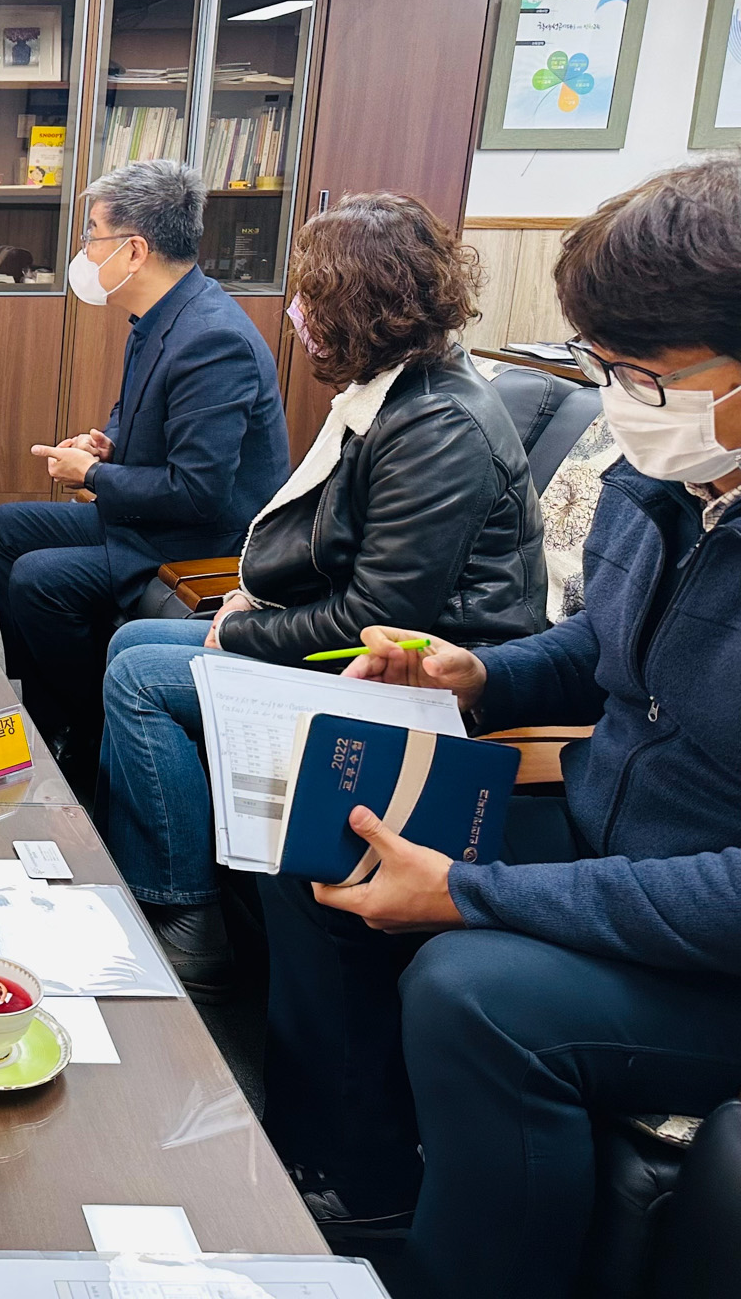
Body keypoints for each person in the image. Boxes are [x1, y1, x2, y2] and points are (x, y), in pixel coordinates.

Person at [258, 157, 741, 1299]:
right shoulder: (669, 480)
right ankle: (366, 1184)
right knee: (322, 840)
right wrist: (475, 675)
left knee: (470, 989)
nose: (616, 396)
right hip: (607, 843)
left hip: (707, 934)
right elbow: (604, 649)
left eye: (640, 371)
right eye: (600, 366)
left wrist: (474, 893)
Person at [96, 194, 547, 997]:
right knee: (132, 645)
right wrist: (249, 606)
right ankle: (150, 863)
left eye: (310, 293)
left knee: (139, 679)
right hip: (366, 645)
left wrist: (238, 634)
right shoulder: (395, 394)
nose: (297, 312)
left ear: (354, 304)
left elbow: (381, 621)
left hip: (410, 678)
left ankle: (186, 915)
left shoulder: (440, 427)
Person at [0, 159, 289, 764]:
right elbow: (133, 415)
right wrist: (106, 445)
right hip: (157, 518)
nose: (85, 251)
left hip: (201, 537)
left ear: (134, 250)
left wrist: (91, 475)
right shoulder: (160, 315)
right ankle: (47, 705)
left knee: (39, 579)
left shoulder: (212, 338)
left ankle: (94, 732)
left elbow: (199, 492)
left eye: (93, 234)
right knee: (4, 528)